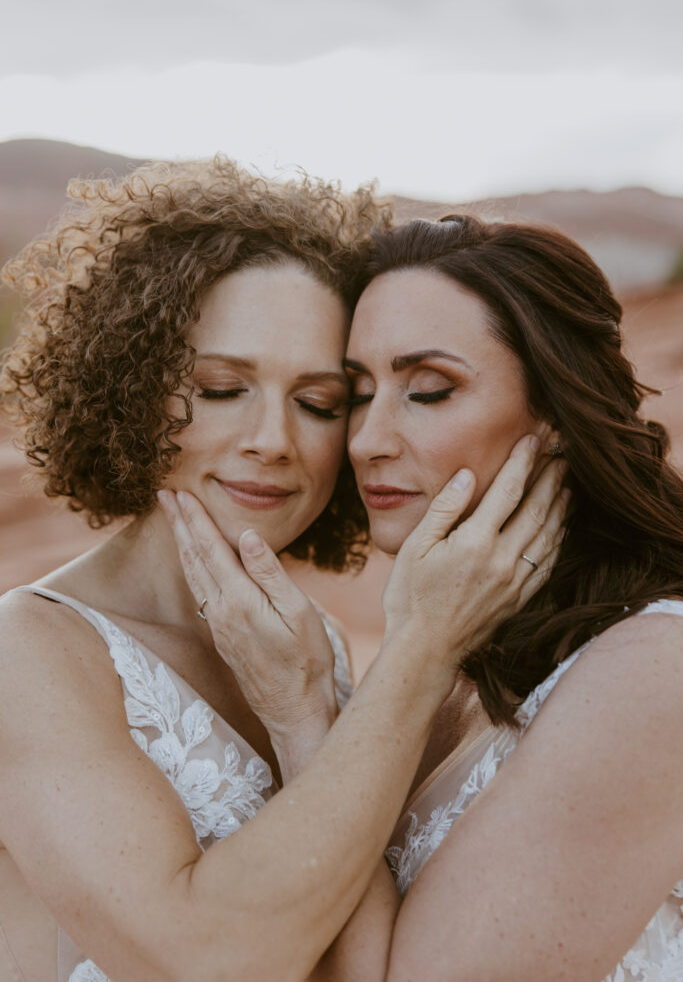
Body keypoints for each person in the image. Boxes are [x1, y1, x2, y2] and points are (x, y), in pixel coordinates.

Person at [0, 163, 564, 982]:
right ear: (129, 389)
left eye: (320, 402)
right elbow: (203, 960)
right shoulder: (28, 651)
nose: (273, 439)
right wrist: (423, 647)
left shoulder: (312, 648)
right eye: (223, 388)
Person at [304, 214, 682, 981]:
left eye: (429, 390)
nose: (367, 438)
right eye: (357, 392)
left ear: (552, 413)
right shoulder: (456, 648)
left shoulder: (653, 669)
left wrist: (298, 715)